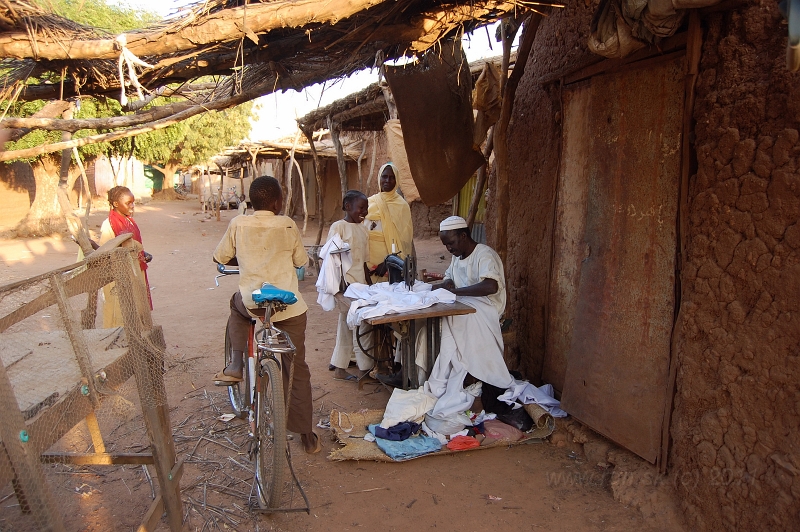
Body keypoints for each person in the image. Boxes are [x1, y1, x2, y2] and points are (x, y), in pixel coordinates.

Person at [212, 176, 320, 454]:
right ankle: (306, 434)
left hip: (253, 302)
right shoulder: (287, 224)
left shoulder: (238, 223)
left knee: (236, 305)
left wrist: (245, 259)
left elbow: (220, 258)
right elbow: (300, 262)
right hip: (289, 307)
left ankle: (236, 364)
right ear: (276, 202)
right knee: (296, 368)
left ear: (251, 200)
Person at [421, 216, 514, 416]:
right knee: (438, 321)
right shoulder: (458, 256)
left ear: (463, 236)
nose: (449, 249)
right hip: (467, 305)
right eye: (445, 245)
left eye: (451, 243)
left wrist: (456, 293)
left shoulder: (484, 255)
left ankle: (447, 381)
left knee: (450, 323)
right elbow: (449, 280)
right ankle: (442, 378)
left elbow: (491, 285)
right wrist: (429, 290)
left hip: (487, 309)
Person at [324, 190, 374, 382]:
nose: (365, 212)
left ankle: (339, 368)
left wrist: (370, 286)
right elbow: (332, 258)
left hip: (360, 286)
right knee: (360, 326)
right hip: (345, 287)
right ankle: (364, 370)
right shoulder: (339, 227)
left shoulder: (363, 229)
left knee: (346, 326)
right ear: (347, 206)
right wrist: (340, 289)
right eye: (361, 208)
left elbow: (364, 263)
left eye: (366, 208)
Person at [98, 186, 152, 328]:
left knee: (136, 306)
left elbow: (134, 246)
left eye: (133, 202)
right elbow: (105, 252)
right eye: (128, 203)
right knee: (119, 309)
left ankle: (135, 337)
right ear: (116, 204)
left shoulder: (129, 221)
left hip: (134, 271)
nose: (132, 206)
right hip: (119, 274)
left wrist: (143, 255)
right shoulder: (109, 225)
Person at [365, 162, 414, 280]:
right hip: (368, 259)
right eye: (385, 176)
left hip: (390, 260)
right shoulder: (368, 202)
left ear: (396, 180)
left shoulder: (402, 206)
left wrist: (390, 262)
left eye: (392, 178)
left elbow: (404, 240)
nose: (388, 180)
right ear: (379, 178)